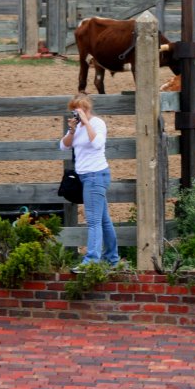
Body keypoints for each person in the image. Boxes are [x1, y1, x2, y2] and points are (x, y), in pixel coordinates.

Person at [59, 93, 119, 272]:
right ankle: (112, 259)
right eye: (73, 111)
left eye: (78, 110)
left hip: (95, 176)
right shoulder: (76, 127)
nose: (75, 114)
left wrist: (86, 122)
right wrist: (72, 129)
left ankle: (91, 260)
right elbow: (63, 146)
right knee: (103, 220)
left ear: (87, 109)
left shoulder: (97, 123)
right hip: (85, 177)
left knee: (93, 221)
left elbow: (98, 143)